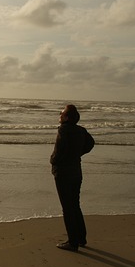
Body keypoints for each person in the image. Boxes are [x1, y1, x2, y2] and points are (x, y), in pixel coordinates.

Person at [50, 104, 95, 252]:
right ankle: (81, 238)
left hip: (63, 172)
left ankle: (72, 242)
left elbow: (59, 150)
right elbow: (90, 144)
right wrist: (78, 154)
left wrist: (53, 160)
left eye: (61, 113)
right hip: (76, 170)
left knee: (67, 207)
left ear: (67, 117)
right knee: (75, 204)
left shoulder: (63, 129)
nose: (60, 115)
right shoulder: (81, 130)